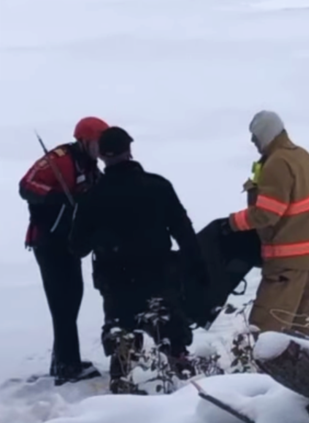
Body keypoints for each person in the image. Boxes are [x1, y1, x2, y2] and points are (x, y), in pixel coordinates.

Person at [69, 126, 208, 394]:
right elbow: (183, 230)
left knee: (122, 340)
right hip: (159, 277)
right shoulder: (158, 186)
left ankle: (121, 384)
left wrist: (97, 233)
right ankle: (190, 389)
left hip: (115, 282)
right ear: (129, 151)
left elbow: (77, 248)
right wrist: (197, 265)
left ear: (102, 157)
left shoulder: (91, 198)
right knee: (172, 337)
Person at [221, 110, 309, 337]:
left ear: (265, 134)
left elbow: (266, 214)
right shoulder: (302, 156)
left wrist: (231, 223)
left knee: (266, 331)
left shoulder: (276, 164)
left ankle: (261, 374)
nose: (252, 141)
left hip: (288, 265)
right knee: (306, 331)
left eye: (255, 136)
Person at [18, 116, 109, 385]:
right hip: (48, 241)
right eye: (97, 143)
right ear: (84, 141)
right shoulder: (60, 159)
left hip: (70, 242)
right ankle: (67, 365)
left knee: (72, 299)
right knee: (63, 303)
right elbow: (26, 185)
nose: (100, 149)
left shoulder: (91, 167)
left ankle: (64, 360)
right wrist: (55, 198)